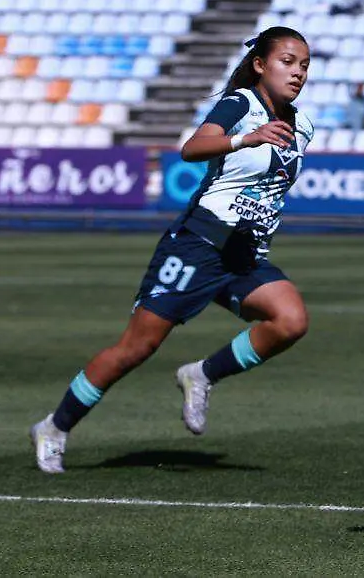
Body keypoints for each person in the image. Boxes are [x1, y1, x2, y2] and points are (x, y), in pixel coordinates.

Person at [29, 26, 316, 474]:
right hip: (200, 244)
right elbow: (192, 148)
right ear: (260, 64)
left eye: (303, 65)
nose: (297, 72)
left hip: (243, 254)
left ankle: (201, 374)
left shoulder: (304, 125)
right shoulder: (241, 104)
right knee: (136, 349)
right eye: (287, 61)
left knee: (290, 320)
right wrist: (246, 138)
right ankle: (55, 426)